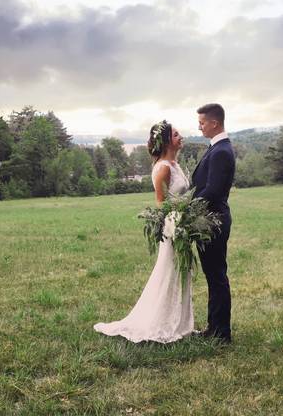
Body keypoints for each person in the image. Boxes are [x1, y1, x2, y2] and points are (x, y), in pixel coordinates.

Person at [93, 120, 194, 343]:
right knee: (170, 271)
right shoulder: (163, 168)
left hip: (183, 223)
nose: (181, 137)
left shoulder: (175, 164)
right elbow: (162, 204)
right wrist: (183, 214)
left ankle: (180, 322)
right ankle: (162, 322)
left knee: (182, 272)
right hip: (173, 226)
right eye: (176, 134)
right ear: (167, 140)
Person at [192, 103, 234, 343]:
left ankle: (221, 333)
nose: (199, 127)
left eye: (202, 123)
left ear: (214, 123)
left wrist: (186, 206)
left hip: (213, 221)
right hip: (209, 220)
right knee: (213, 275)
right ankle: (214, 327)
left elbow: (213, 191)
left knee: (217, 276)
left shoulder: (221, 151)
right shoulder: (217, 148)